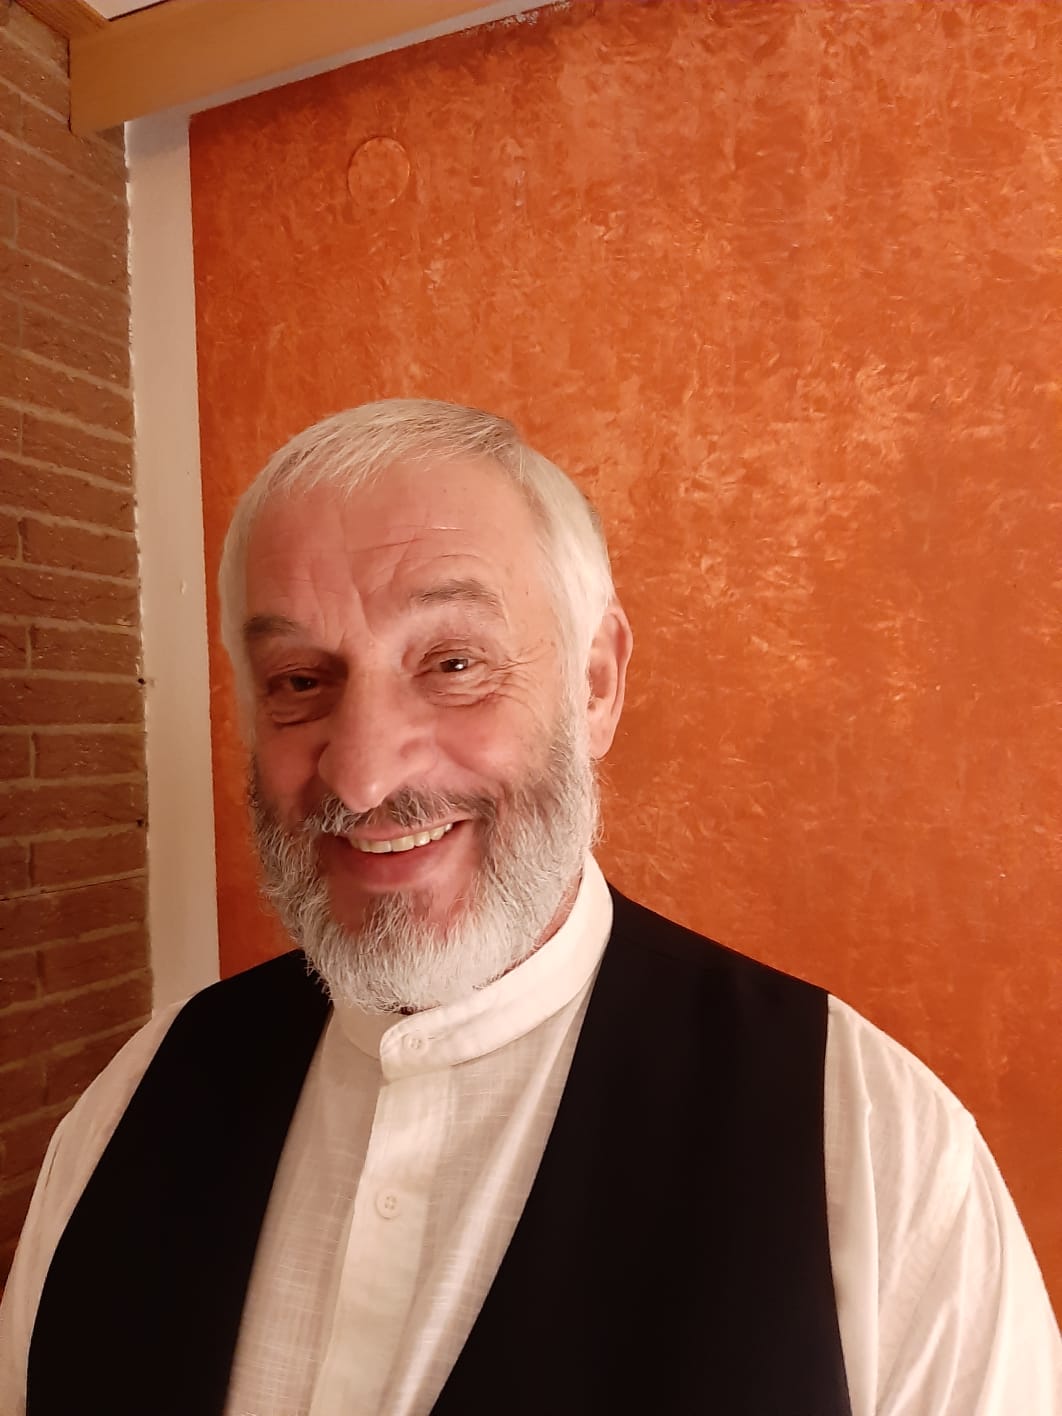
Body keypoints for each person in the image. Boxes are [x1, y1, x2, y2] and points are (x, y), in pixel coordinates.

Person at [0, 399, 1059, 1416]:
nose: (362, 776)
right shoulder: (133, 1106)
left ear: (595, 684)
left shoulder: (873, 1150)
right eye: (299, 682)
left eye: (454, 663)